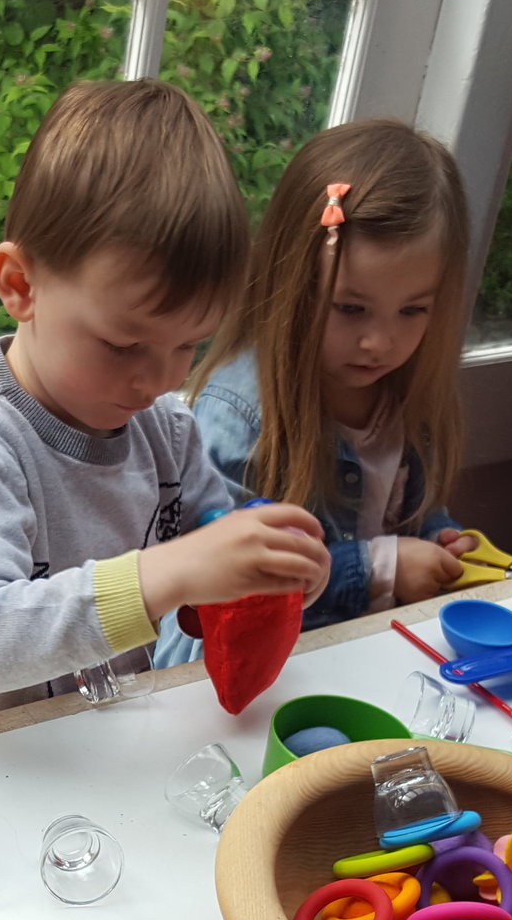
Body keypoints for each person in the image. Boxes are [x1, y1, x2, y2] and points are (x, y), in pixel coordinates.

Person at [0, 79, 330, 737]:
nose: (157, 378)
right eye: (124, 344)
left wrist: (264, 580)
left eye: (189, 345)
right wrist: (162, 573)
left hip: (98, 723)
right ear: (20, 285)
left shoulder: (164, 429)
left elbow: (203, 571)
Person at [168, 118, 478, 657]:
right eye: (351, 308)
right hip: (262, 679)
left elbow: (408, 512)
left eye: (413, 310)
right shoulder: (240, 416)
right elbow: (217, 595)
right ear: (291, 285)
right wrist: (382, 568)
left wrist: (437, 540)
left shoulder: (407, 396)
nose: (379, 342)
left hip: (370, 656)